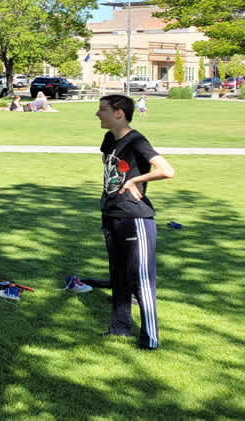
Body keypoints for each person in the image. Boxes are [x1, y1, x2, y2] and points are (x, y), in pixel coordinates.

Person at [95, 94, 175, 349]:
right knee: (118, 276)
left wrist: (135, 181)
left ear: (119, 113)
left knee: (141, 279)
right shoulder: (109, 140)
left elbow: (166, 170)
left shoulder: (136, 140)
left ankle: (150, 339)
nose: (98, 114)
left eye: (103, 109)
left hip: (135, 218)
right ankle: (120, 329)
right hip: (112, 215)